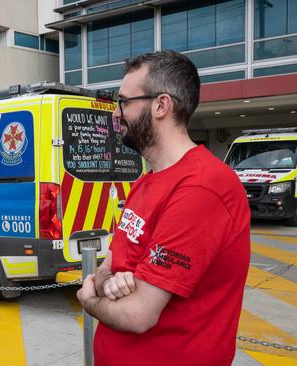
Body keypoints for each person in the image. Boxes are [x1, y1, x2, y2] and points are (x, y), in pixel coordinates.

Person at [76, 50, 250, 366]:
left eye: (124, 102)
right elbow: (108, 264)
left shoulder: (201, 188)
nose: (116, 114)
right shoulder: (147, 183)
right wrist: (105, 281)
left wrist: (90, 298)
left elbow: (137, 314)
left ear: (161, 105)